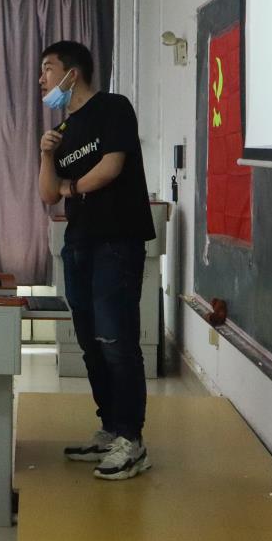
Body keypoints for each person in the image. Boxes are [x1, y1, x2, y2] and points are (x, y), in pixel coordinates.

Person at [37, 40, 157, 481]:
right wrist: (46, 154)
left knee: (116, 340)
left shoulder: (113, 108)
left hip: (117, 240)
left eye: (48, 69)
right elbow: (47, 193)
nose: (42, 80)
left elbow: (110, 167)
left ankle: (132, 439)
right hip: (80, 242)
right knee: (90, 340)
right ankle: (110, 429)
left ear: (73, 73)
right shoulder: (63, 129)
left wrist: (70, 187)